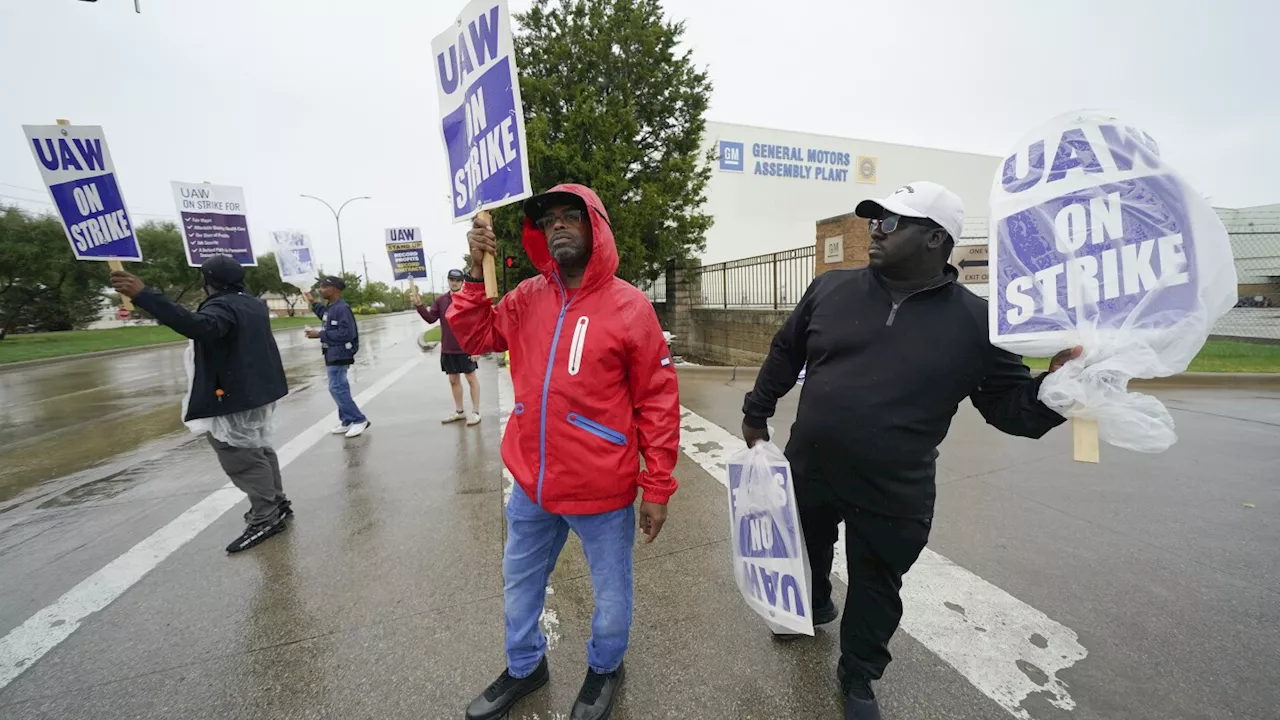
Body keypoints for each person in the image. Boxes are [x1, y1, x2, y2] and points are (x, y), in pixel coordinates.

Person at [740, 181, 1083, 720]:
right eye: (874, 221)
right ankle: (816, 597)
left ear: (934, 239)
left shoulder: (977, 324)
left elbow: (1011, 409)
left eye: (890, 223)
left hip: (893, 489)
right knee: (806, 546)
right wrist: (756, 410)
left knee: (877, 581)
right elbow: (786, 350)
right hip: (812, 465)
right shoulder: (831, 289)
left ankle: (857, 674)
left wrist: (1059, 387)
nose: (874, 231)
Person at [450, 184, 680, 720]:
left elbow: (658, 400)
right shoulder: (529, 296)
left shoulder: (629, 306)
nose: (558, 225)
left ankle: (605, 669)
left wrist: (658, 485)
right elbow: (475, 334)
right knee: (520, 583)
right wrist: (474, 264)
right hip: (532, 484)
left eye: (570, 216)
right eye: (549, 219)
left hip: (601, 488)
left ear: (594, 226)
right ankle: (526, 666)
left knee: (611, 599)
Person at [110, 256, 292, 554]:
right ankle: (276, 502)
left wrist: (145, 295)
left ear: (208, 281)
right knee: (258, 446)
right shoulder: (253, 303)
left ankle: (267, 516)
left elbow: (201, 327)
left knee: (240, 454)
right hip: (257, 390)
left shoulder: (223, 306)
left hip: (234, 393)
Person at [413, 268, 482, 426]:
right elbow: (431, 319)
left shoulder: (469, 299)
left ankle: (476, 411)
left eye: (457, 280)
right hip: (448, 347)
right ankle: (459, 411)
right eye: (452, 279)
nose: (454, 282)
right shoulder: (441, 300)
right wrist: (420, 306)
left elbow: (476, 324)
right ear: (448, 280)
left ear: (462, 282)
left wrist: (477, 347)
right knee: (453, 379)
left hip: (466, 347)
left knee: (471, 377)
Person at [303, 276, 369, 438]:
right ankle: (346, 420)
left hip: (341, 353)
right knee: (340, 387)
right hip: (332, 353)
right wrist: (312, 301)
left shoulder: (342, 308)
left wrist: (320, 334)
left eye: (324, 287)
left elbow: (347, 333)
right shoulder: (331, 307)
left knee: (337, 388)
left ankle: (358, 419)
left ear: (335, 290)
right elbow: (324, 315)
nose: (321, 290)